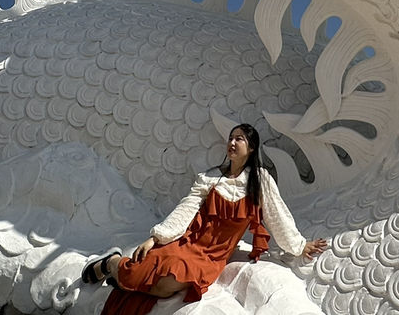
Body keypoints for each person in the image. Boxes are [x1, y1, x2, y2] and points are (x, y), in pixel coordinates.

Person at [81, 123, 327, 315]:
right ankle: (112, 263)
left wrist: (299, 246)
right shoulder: (210, 178)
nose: (231, 142)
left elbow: (277, 215)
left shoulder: (260, 180)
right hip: (189, 243)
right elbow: (185, 210)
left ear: (251, 148)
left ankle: (114, 267)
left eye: (238, 139)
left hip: (213, 255)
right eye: (230, 138)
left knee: (166, 286)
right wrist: (156, 238)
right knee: (138, 275)